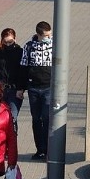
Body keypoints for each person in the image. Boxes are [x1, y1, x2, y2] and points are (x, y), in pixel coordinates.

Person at [18, 22, 52, 161]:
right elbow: (23, 68)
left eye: (50, 35)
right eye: (45, 36)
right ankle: (40, 150)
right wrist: (21, 88)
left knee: (47, 117)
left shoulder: (54, 46)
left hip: (48, 87)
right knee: (36, 119)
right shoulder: (29, 46)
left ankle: (49, 148)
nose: (48, 38)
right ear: (38, 35)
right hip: (33, 88)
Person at [0, 27, 25, 123]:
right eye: (6, 42)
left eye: (10, 41)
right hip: (0, 89)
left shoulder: (20, 52)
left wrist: (21, 89)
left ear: (15, 39)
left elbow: (23, 72)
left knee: (12, 117)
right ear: (2, 41)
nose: (8, 44)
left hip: (15, 90)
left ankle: (12, 136)